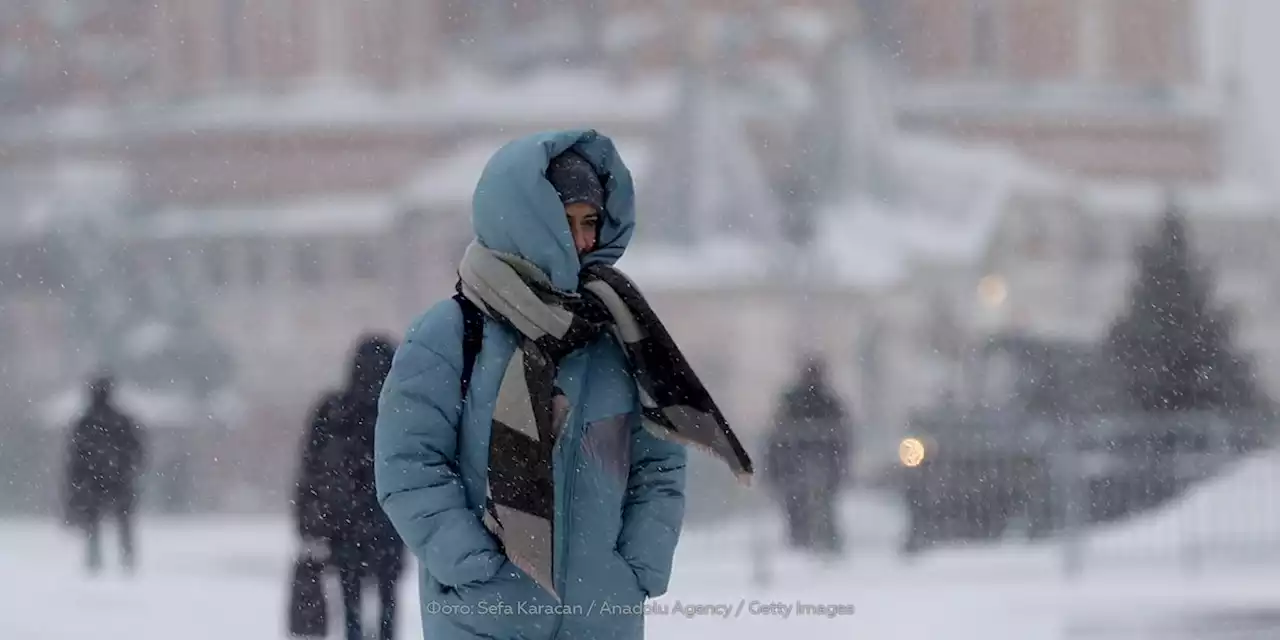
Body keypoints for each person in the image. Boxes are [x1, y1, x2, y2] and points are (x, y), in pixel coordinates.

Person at [375, 129, 753, 640]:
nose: (581, 241)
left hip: (601, 619)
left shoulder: (618, 334)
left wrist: (636, 569)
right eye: (564, 222)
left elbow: (658, 463)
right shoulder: (448, 335)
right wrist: (475, 567)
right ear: (526, 222)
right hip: (485, 620)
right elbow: (409, 466)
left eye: (590, 223)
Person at [296, 335, 405, 640]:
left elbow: (311, 470)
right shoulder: (398, 411)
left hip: (345, 523)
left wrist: (307, 520)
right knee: (388, 601)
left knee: (351, 601)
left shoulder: (333, 410)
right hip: (389, 523)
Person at [762, 355, 855, 556]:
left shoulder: (826, 401)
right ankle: (805, 539)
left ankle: (816, 539)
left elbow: (842, 436)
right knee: (801, 505)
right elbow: (777, 434)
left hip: (815, 465)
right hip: (799, 465)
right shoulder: (800, 401)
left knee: (817, 503)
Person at [62, 372, 147, 574]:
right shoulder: (118, 421)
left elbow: (75, 458)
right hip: (113, 480)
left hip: (97, 481)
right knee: (118, 522)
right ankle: (123, 560)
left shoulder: (86, 422)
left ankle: (101, 562)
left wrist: (76, 483)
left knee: (98, 524)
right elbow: (136, 451)